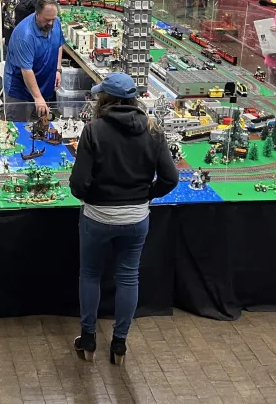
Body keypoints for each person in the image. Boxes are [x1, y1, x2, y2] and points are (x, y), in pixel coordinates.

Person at [69, 73, 178, 364]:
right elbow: (171, 177)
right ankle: (119, 344)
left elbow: (78, 183)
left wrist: (89, 196)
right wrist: (147, 194)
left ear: (105, 99)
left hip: (97, 216)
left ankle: (88, 339)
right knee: (129, 277)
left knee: (90, 274)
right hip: (136, 218)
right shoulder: (153, 130)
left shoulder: (93, 130)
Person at [3, 0, 64, 122]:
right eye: (47, 20)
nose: (51, 23)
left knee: (40, 127)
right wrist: (38, 97)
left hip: (43, 86)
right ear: (37, 13)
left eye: (53, 19)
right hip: (20, 92)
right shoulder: (24, 35)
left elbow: (58, 44)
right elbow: (26, 70)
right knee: (18, 130)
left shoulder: (55, 22)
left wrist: (58, 70)